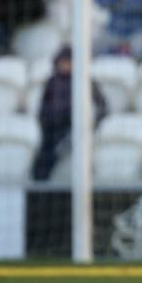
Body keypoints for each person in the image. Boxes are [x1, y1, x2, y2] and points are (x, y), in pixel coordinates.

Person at [32, 46, 107, 181]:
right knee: (42, 159)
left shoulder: (84, 81)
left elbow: (102, 106)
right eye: (63, 62)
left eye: (69, 62)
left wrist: (93, 123)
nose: (66, 65)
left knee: (60, 151)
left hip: (72, 126)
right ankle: (39, 185)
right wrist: (45, 121)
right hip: (51, 128)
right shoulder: (52, 82)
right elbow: (43, 106)